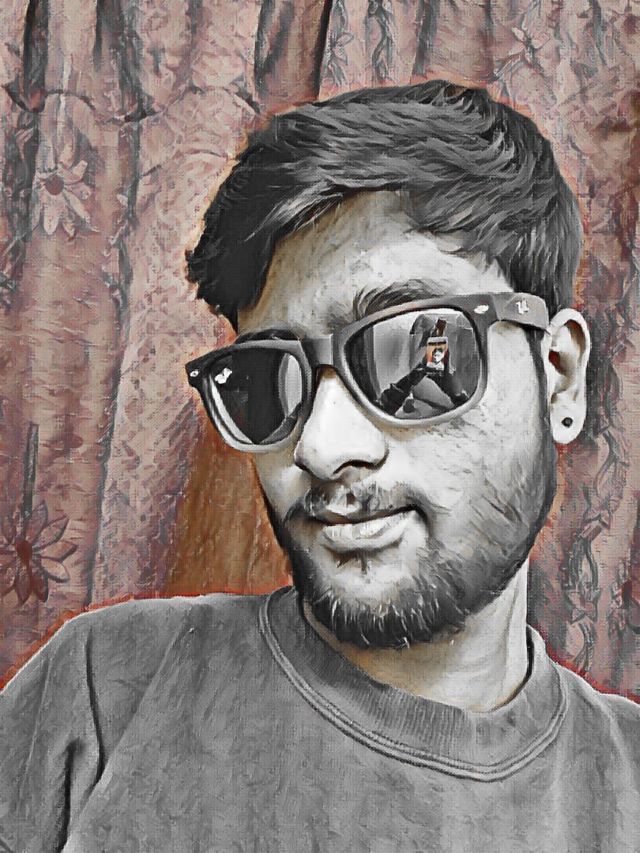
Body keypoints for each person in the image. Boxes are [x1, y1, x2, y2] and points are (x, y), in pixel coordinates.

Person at [1, 81, 638, 853]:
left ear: (559, 378)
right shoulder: (103, 690)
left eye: (414, 356)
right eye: (267, 381)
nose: (320, 446)